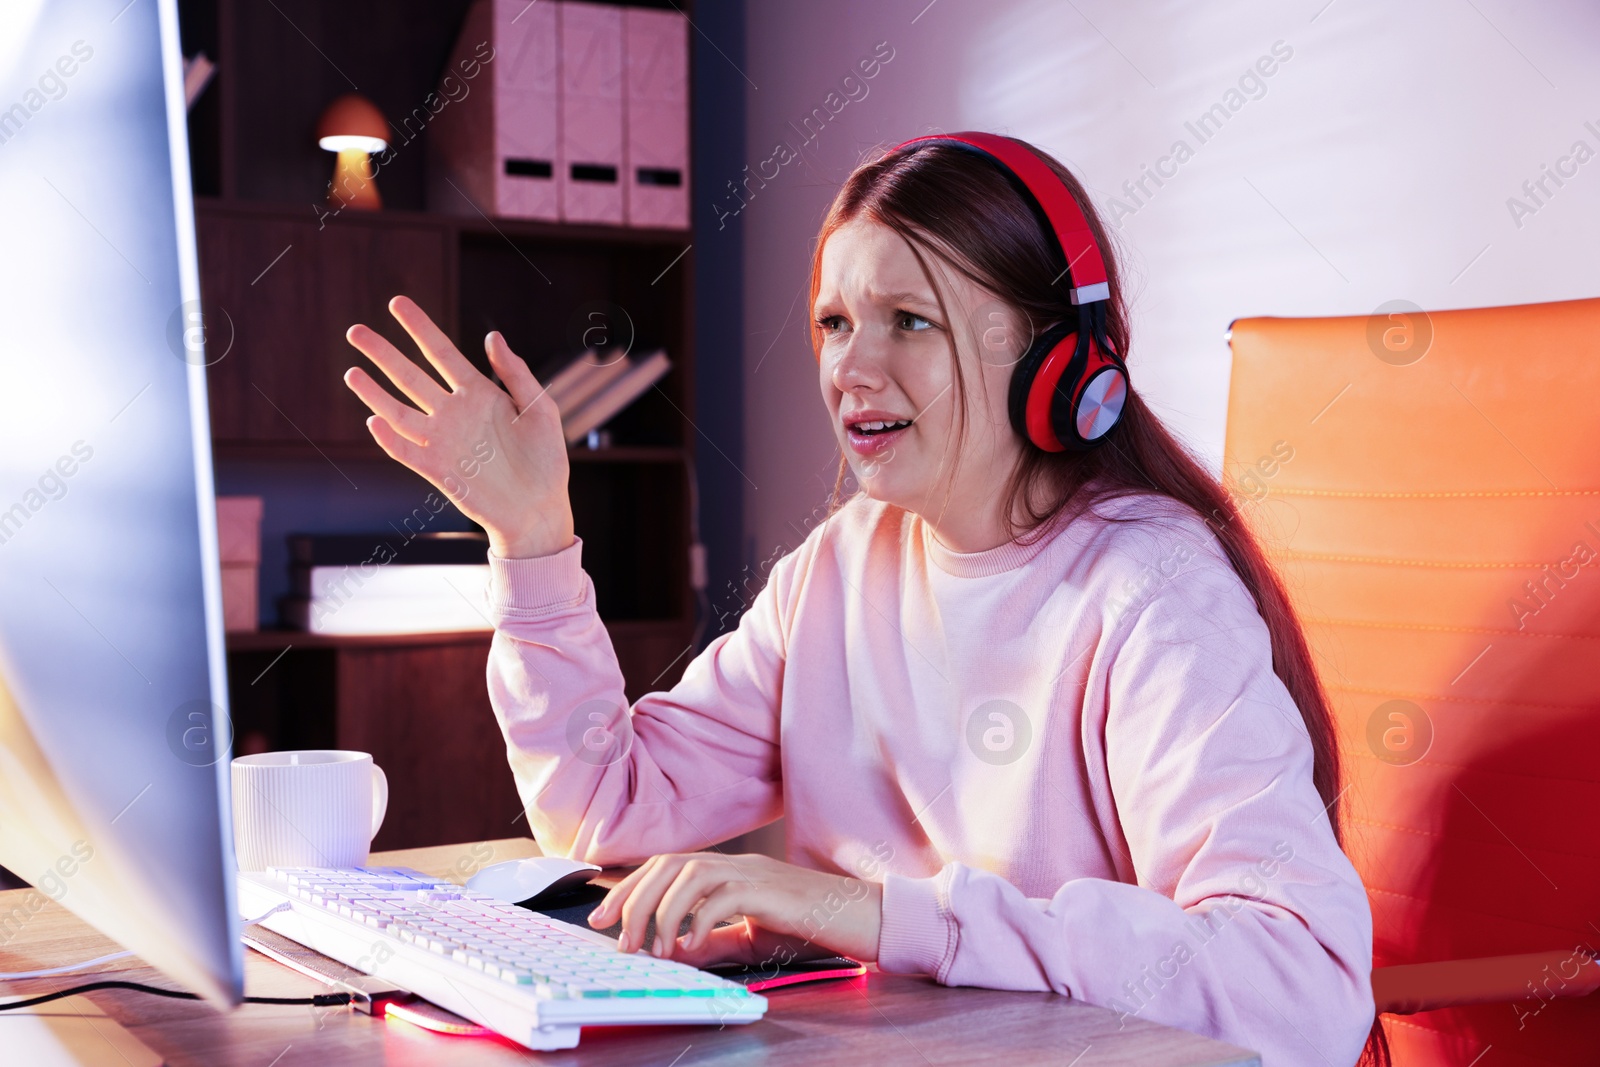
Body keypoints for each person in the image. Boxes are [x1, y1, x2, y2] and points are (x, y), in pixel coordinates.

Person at [342, 132, 1377, 1065]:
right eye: (836, 321)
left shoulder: (1152, 588)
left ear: (1054, 360)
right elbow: (604, 806)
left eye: (906, 321)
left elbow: (1300, 988)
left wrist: (871, 912)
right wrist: (534, 539)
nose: (850, 367)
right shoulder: (843, 565)